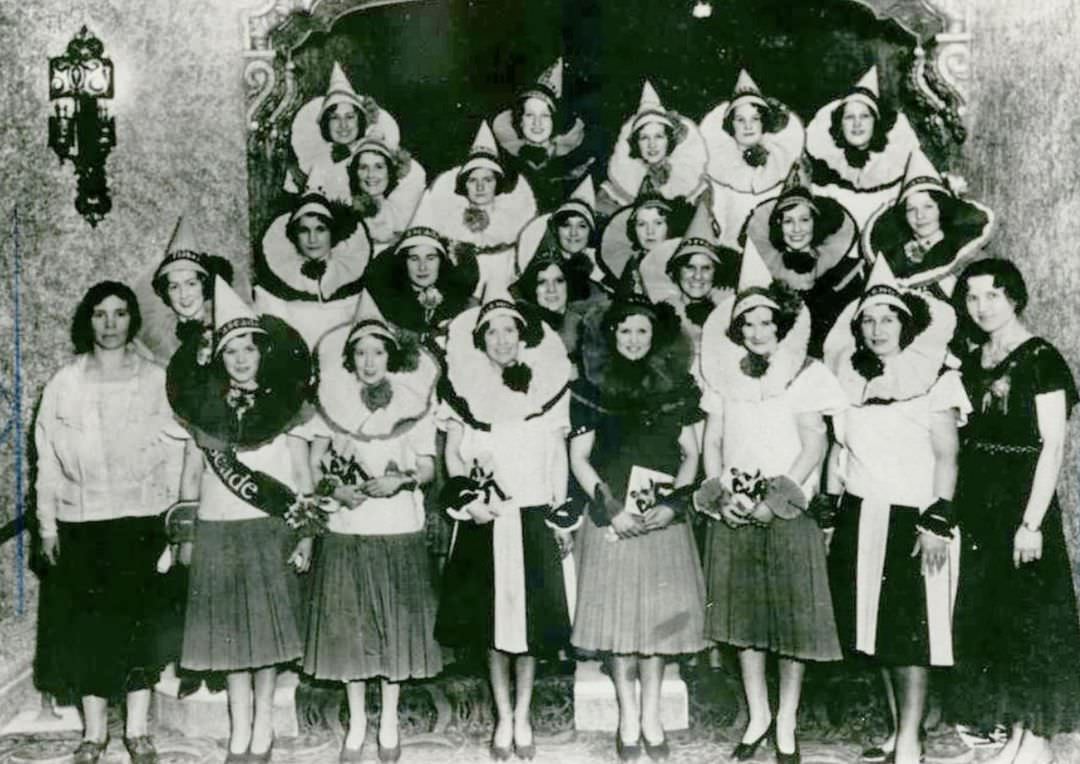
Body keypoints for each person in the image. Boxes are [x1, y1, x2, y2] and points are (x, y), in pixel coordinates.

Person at [696, 241, 845, 764]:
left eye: (767, 323)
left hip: (785, 509)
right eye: (748, 324)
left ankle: (786, 722)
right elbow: (713, 440)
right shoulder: (721, 374)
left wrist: (777, 498)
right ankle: (758, 713)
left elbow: (815, 444)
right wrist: (721, 493)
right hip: (734, 509)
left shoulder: (803, 373)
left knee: (792, 622)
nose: (758, 333)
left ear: (781, 327)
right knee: (745, 620)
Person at [823, 256, 966, 764]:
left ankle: (911, 739)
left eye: (888, 319)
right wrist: (830, 516)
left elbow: (948, 456)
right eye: (869, 320)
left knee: (911, 635)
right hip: (861, 517)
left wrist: (936, 520)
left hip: (914, 519)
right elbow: (839, 456)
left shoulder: (938, 379)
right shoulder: (845, 382)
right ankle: (897, 730)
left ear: (906, 325)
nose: (878, 329)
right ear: (857, 329)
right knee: (874, 633)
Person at [169, 278, 314, 763]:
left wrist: (306, 537)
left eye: (247, 349)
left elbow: (300, 476)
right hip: (217, 529)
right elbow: (191, 476)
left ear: (261, 352)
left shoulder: (287, 407)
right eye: (230, 351)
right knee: (229, 637)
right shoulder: (204, 412)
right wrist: (185, 536)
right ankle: (238, 729)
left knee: (267, 635)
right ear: (220, 358)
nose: (240, 359)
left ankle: (264, 727)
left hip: (267, 530)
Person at [34, 281, 180, 764]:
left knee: (141, 628)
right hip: (83, 525)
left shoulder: (157, 380)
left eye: (120, 314)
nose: (111, 324)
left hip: (141, 522)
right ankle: (93, 734)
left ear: (132, 320)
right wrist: (48, 525)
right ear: (88, 321)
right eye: (100, 314)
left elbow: (175, 454)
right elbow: (47, 460)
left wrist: (176, 521)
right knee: (88, 631)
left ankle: (137, 731)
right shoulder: (65, 383)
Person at [945, 259, 1080, 764]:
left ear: (1015, 298)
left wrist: (1031, 523)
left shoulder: (1042, 358)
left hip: (1024, 506)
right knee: (993, 621)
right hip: (982, 508)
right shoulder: (975, 357)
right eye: (973, 297)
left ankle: (1037, 742)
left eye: (993, 296)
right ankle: (1015, 738)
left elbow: (1053, 444)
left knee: (1030, 621)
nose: (982, 307)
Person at [434, 289, 574, 761]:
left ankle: (524, 714)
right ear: (480, 340)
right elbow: (453, 454)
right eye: (491, 331)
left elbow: (557, 454)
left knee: (529, 623)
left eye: (509, 329)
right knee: (491, 622)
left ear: (523, 336)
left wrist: (558, 513)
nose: (501, 339)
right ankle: (502, 714)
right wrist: (469, 499)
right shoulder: (461, 391)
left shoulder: (549, 387)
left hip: (532, 516)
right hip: (484, 519)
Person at [301, 297, 443, 763]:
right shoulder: (331, 402)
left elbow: (426, 467)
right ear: (350, 358)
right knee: (351, 627)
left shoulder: (415, 402)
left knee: (394, 625)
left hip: (398, 525)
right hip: (348, 527)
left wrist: (397, 480)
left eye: (378, 352)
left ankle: (388, 720)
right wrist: (334, 488)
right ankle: (358, 721)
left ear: (391, 356)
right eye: (360, 353)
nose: (369, 362)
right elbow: (316, 457)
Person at [569, 285, 707, 760]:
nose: (632, 338)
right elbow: (580, 459)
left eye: (642, 330)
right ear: (610, 336)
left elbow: (692, 454)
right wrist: (611, 508)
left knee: (656, 627)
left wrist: (675, 503)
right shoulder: (589, 387)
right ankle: (627, 716)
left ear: (656, 335)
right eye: (624, 330)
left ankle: (652, 715)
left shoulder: (678, 387)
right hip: (613, 521)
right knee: (617, 625)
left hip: (661, 521)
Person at [742, 164, 864, 357]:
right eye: (789, 221)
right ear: (778, 226)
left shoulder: (844, 275)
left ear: (815, 223)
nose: (797, 229)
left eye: (804, 220)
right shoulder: (761, 274)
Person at [411, 122, 538, 298]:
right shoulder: (450, 219)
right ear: (464, 185)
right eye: (472, 180)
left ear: (497, 184)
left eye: (487, 180)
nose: (480, 187)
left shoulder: (509, 223)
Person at [699, 70, 806, 247]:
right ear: (730, 125)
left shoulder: (781, 165)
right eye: (740, 120)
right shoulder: (720, 170)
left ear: (764, 122)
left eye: (755, 119)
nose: (748, 126)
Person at [864, 150, 994, 295]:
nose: (920, 216)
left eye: (928, 206)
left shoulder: (968, 255)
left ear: (942, 209)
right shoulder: (896, 260)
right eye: (911, 210)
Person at [805, 66, 921, 228]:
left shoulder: (893, 169)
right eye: (849, 117)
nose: (857, 124)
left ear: (876, 122)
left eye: (865, 116)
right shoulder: (825, 174)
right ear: (840, 125)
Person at [254, 192, 372, 349]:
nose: (312, 239)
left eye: (320, 229)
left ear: (333, 233)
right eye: (304, 230)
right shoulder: (278, 283)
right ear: (294, 235)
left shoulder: (352, 278)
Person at [638, 198, 740, 377]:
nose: (698, 276)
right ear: (676, 272)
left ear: (716, 273)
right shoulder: (661, 314)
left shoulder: (728, 312)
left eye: (706, 268)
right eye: (690, 267)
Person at [284, 61, 401, 199]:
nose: (343, 125)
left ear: (360, 120)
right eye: (335, 118)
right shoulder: (319, 163)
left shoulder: (375, 155)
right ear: (326, 124)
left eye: (350, 117)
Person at [492, 58, 595, 210]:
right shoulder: (504, 164)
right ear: (519, 121)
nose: (537, 123)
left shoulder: (574, 169)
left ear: (555, 122)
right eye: (529, 115)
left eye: (545, 116)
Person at [598, 80, 708, 216]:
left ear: (669, 140)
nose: (652, 145)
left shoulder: (685, 175)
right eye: (644, 138)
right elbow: (598, 203)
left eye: (659, 136)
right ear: (636, 143)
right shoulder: (627, 176)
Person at [363, 226, 480, 348]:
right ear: (403, 262)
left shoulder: (461, 302)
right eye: (414, 259)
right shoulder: (385, 305)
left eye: (430, 258)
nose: (422, 267)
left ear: (441, 261)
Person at [514, 176, 609, 293]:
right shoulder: (538, 266)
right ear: (556, 230)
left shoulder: (600, 272)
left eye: (582, 226)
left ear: (590, 232)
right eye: (566, 225)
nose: (573, 233)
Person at [599, 176, 688, 292]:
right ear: (633, 229)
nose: (650, 231)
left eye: (658, 223)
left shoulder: (685, 265)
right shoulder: (631, 268)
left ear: (670, 227)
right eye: (642, 224)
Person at [345, 134, 427, 255]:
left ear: (390, 172)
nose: (371, 174)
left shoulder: (398, 210)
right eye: (363, 167)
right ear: (355, 173)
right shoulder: (347, 210)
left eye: (379, 167)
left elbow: (417, 174)